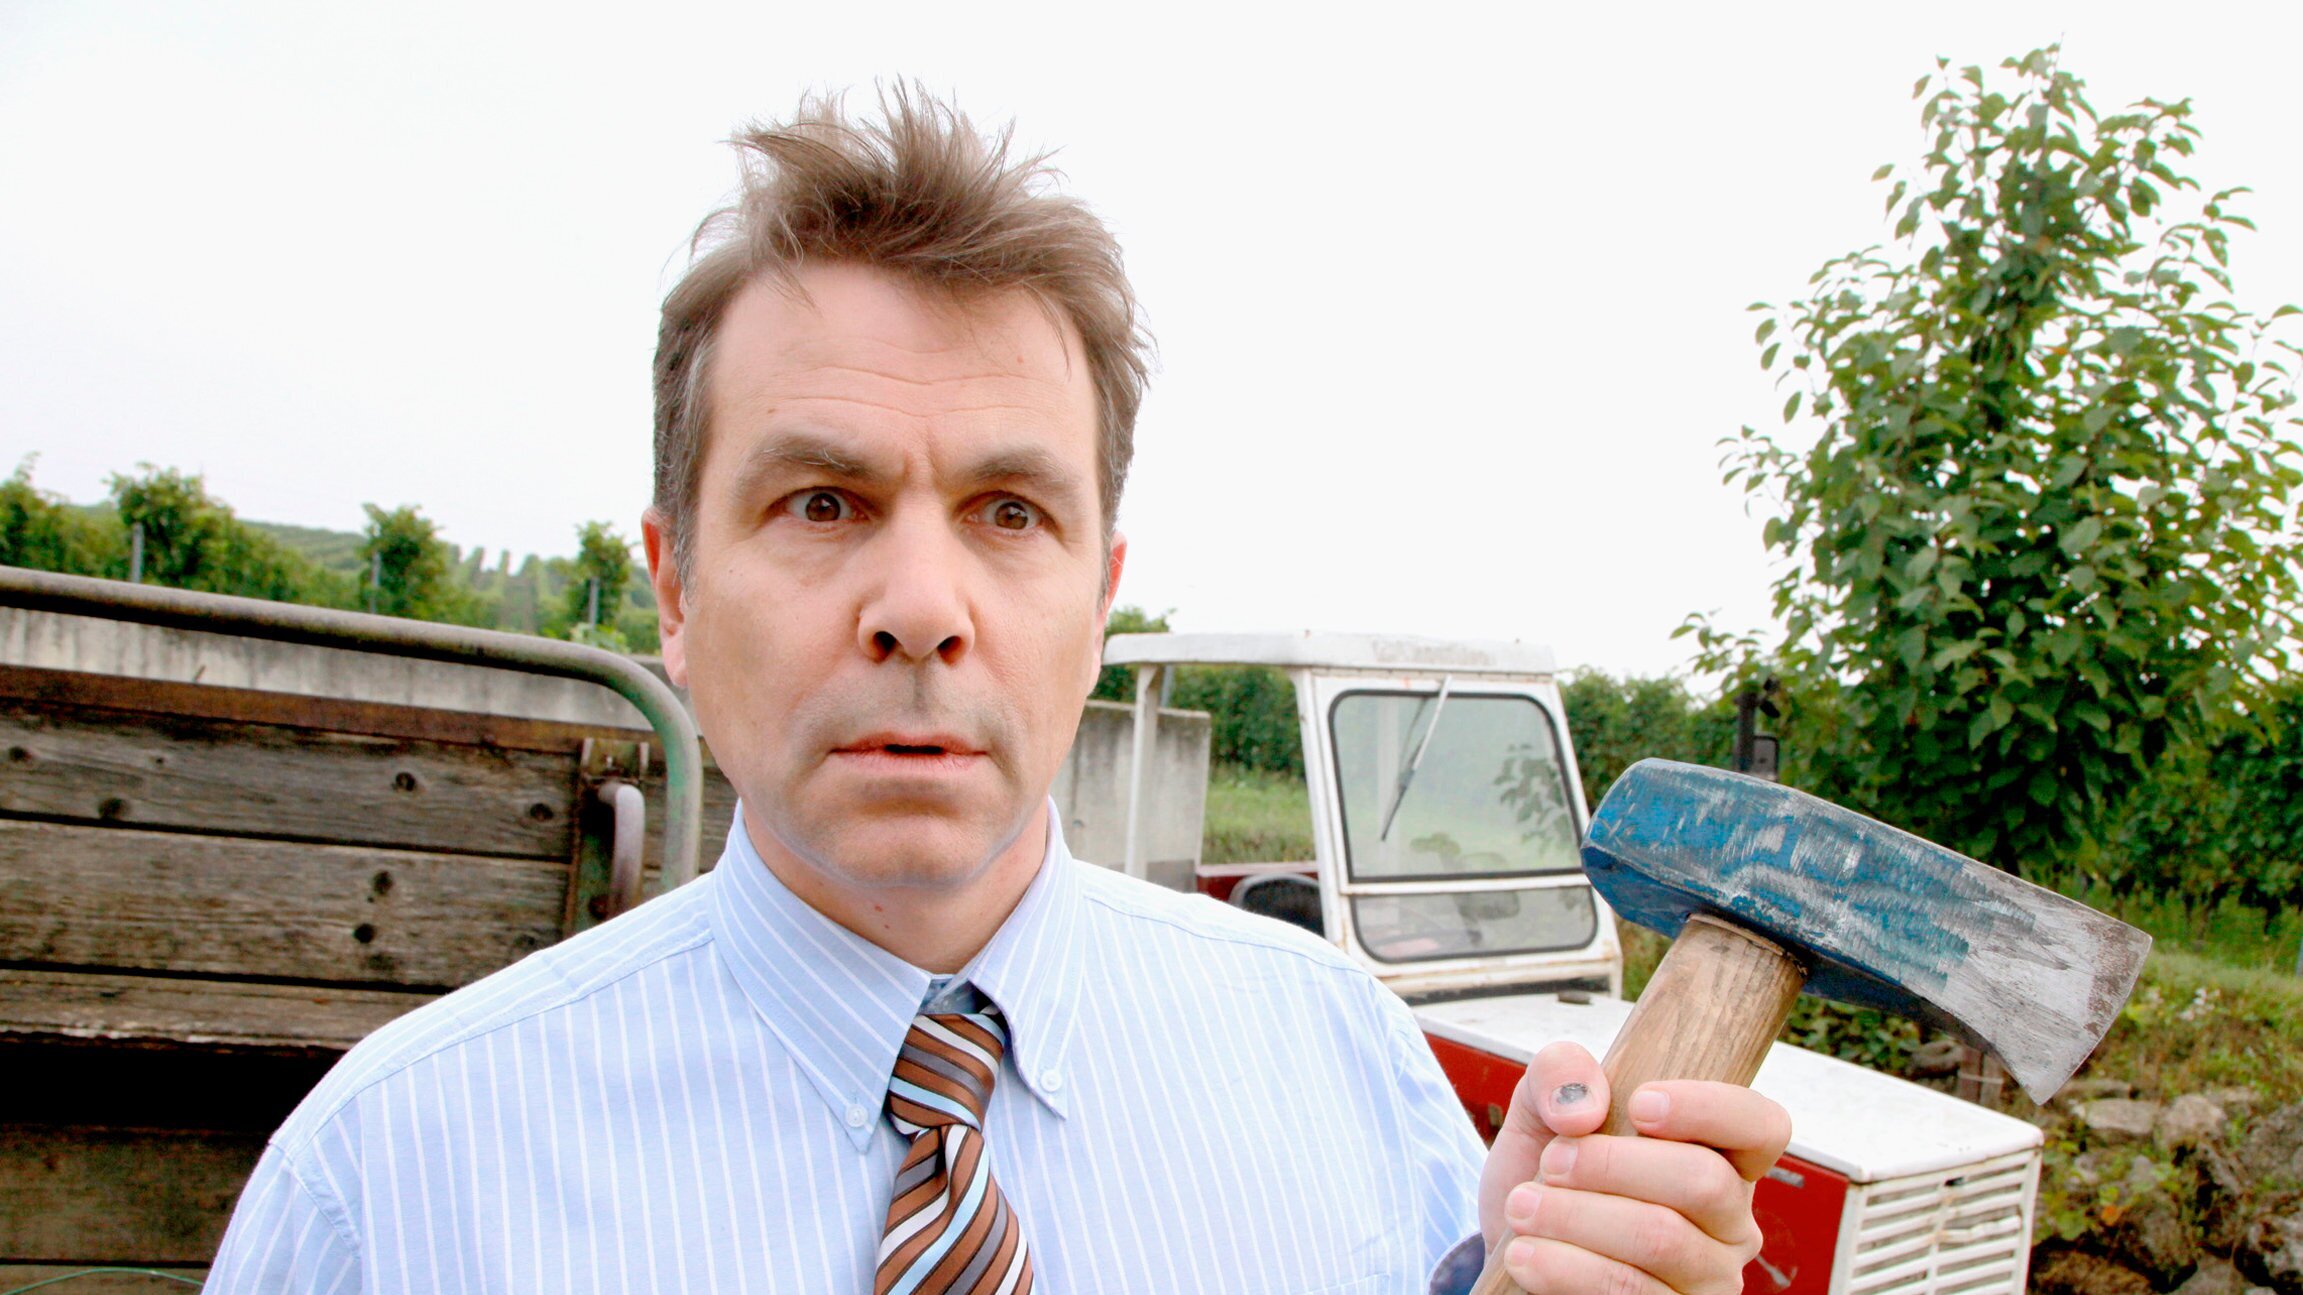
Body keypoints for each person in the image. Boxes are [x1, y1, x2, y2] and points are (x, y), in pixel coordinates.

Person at [208, 87, 1789, 1294]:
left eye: (1010, 513)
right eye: (821, 501)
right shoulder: (392, 1186)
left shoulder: (1346, 1067)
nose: (920, 607)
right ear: (675, 590)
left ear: (1097, 602)